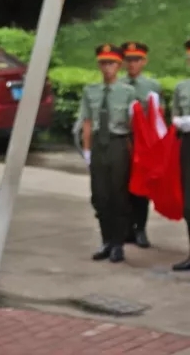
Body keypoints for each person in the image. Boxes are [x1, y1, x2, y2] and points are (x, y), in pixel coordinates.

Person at [78, 44, 137, 263]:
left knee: (118, 195)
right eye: (103, 63)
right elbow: (87, 121)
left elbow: (135, 124)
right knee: (99, 195)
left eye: (111, 63)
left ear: (119, 66)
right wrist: (87, 150)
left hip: (118, 144)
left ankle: (118, 243)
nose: (107, 67)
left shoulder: (128, 92)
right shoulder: (91, 91)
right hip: (98, 145)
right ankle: (106, 240)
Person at [119, 41, 162, 248]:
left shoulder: (152, 86)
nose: (132, 64)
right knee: (122, 185)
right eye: (128, 59)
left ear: (144, 61)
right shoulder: (118, 84)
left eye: (136, 60)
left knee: (142, 187)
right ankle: (126, 229)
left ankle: (140, 229)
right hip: (122, 140)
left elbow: (158, 115)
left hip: (143, 143)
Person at [169, 38, 190, 271]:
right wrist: (179, 122)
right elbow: (174, 115)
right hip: (188, 145)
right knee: (189, 204)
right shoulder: (182, 88)